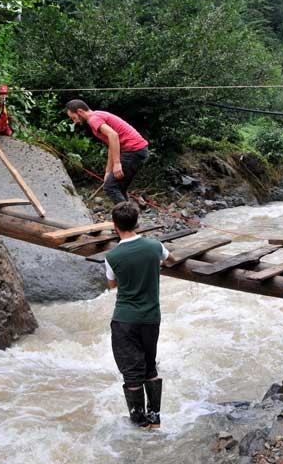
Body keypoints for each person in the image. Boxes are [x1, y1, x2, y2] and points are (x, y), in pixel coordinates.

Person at [104, 201, 175, 428]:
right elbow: (171, 259)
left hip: (125, 319)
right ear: (137, 222)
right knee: (150, 366)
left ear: (115, 226)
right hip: (151, 318)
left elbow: (112, 283)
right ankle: (155, 419)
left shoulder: (112, 256)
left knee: (132, 373)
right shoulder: (155, 246)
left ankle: (139, 421)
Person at [65, 100, 149, 204]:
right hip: (138, 150)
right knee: (119, 188)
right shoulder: (98, 115)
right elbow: (111, 144)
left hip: (133, 151)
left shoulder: (93, 119)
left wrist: (117, 163)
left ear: (80, 111)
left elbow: (113, 135)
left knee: (110, 187)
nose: (75, 122)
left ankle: (125, 218)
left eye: (74, 118)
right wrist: (108, 171)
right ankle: (128, 217)